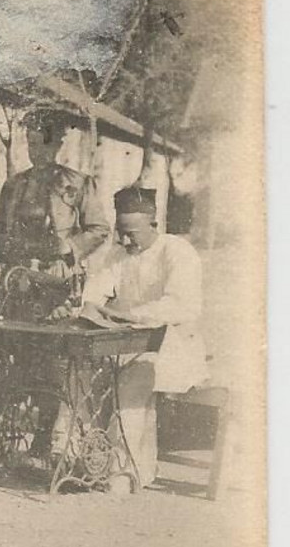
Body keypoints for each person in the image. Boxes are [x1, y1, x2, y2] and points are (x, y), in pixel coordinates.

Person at [81, 186, 208, 490]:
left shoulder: (177, 252)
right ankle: (93, 460)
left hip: (173, 344)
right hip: (125, 342)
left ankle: (123, 471)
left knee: (133, 382)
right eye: (121, 233)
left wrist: (132, 314)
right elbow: (96, 289)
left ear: (154, 225)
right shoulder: (120, 254)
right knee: (82, 374)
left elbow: (182, 305)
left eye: (132, 233)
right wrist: (91, 305)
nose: (125, 240)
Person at [0, 109, 110, 320]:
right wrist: (5, 249)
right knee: (4, 334)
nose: (38, 152)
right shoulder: (13, 185)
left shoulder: (77, 183)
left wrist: (70, 246)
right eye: (32, 145)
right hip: (17, 271)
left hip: (55, 274)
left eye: (46, 145)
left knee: (52, 336)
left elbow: (99, 229)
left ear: (57, 146)